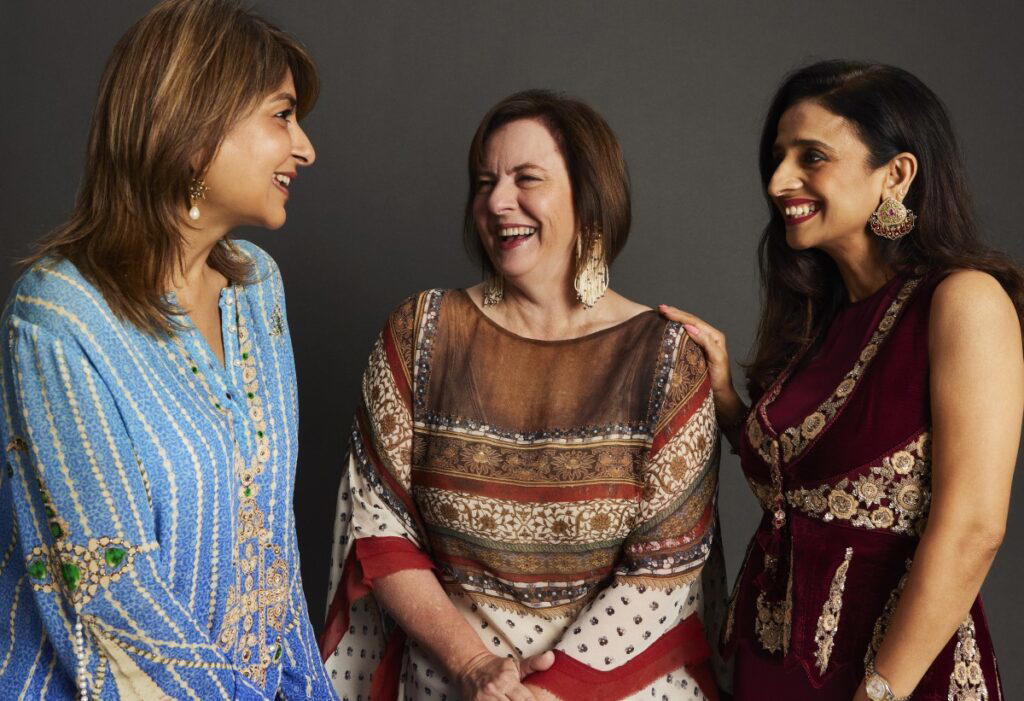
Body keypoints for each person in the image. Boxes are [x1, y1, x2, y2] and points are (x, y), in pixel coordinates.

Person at [320, 90, 726, 700]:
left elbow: (665, 570)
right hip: (452, 683)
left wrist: (548, 691)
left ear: (589, 196)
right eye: (485, 182)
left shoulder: (666, 359)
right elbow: (377, 530)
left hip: (619, 688)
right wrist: (474, 668)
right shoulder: (420, 333)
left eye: (526, 178)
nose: (497, 202)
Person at [0, 1, 337, 698]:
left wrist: (310, 689)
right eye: (281, 115)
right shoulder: (57, 318)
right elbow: (105, 585)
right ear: (195, 130)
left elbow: (270, 546)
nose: (304, 147)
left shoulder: (257, 291)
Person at [661, 60, 1022, 700]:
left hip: (893, 672)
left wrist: (880, 691)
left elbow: (974, 528)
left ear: (897, 174)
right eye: (777, 157)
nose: (778, 181)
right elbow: (803, 490)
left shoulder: (964, 301)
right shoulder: (820, 320)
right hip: (773, 663)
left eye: (812, 157)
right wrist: (725, 402)